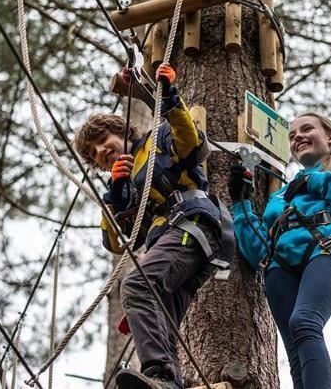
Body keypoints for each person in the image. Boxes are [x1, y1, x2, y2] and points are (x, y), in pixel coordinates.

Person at [74, 64, 234, 389]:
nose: (101, 151)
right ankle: (170, 383)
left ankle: (160, 374)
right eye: (93, 154)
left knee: (136, 285)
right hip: (177, 243)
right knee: (161, 314)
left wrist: (170, 96)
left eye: (104, 140)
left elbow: (191, 142)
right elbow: (116, 242)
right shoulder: (121, 186)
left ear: (121, 132)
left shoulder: (156, 140)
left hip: (192, 224)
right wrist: (115, 194)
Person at [228, 113, 331, 389]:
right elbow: (258, 252)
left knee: (304, 322)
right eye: (291, 135)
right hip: (279, 267)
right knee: (294, 349)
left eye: (306, 129)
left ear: (330, 138)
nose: (297, 136)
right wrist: (241, 205)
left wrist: (318, 181)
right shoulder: (280, 195)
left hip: (324, 251)